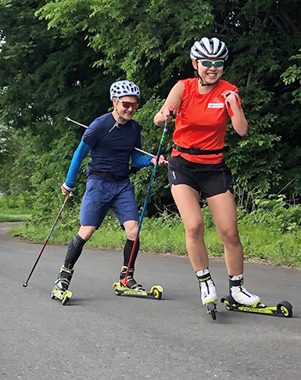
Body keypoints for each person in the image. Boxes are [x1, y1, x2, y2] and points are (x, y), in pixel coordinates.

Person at [154, 37, 260, 312]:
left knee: (229, 231)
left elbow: (241, 130)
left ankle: (237, 289)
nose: (213, 68)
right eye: (207, 63)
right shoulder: (183, 87)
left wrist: (234, 105)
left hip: (213, 167)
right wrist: (165, 114)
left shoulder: (229, 91)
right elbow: (159, 116)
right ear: (195, 64)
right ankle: (205, 281)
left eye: (218, 63)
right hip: (183, 165)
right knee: (194, 225)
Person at [53, 80, 165, 299]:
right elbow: (79, 154)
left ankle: (126, 278)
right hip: (98, 183)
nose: (131, 109)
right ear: (115, 102)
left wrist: (151, 160)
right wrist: (69, 183)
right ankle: (63, 277)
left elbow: (134, 158)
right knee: (87, 231)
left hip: (122, 185)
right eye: (126, 104)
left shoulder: (134, 128)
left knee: (133, 230)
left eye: (135, 105)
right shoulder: (99, 126)